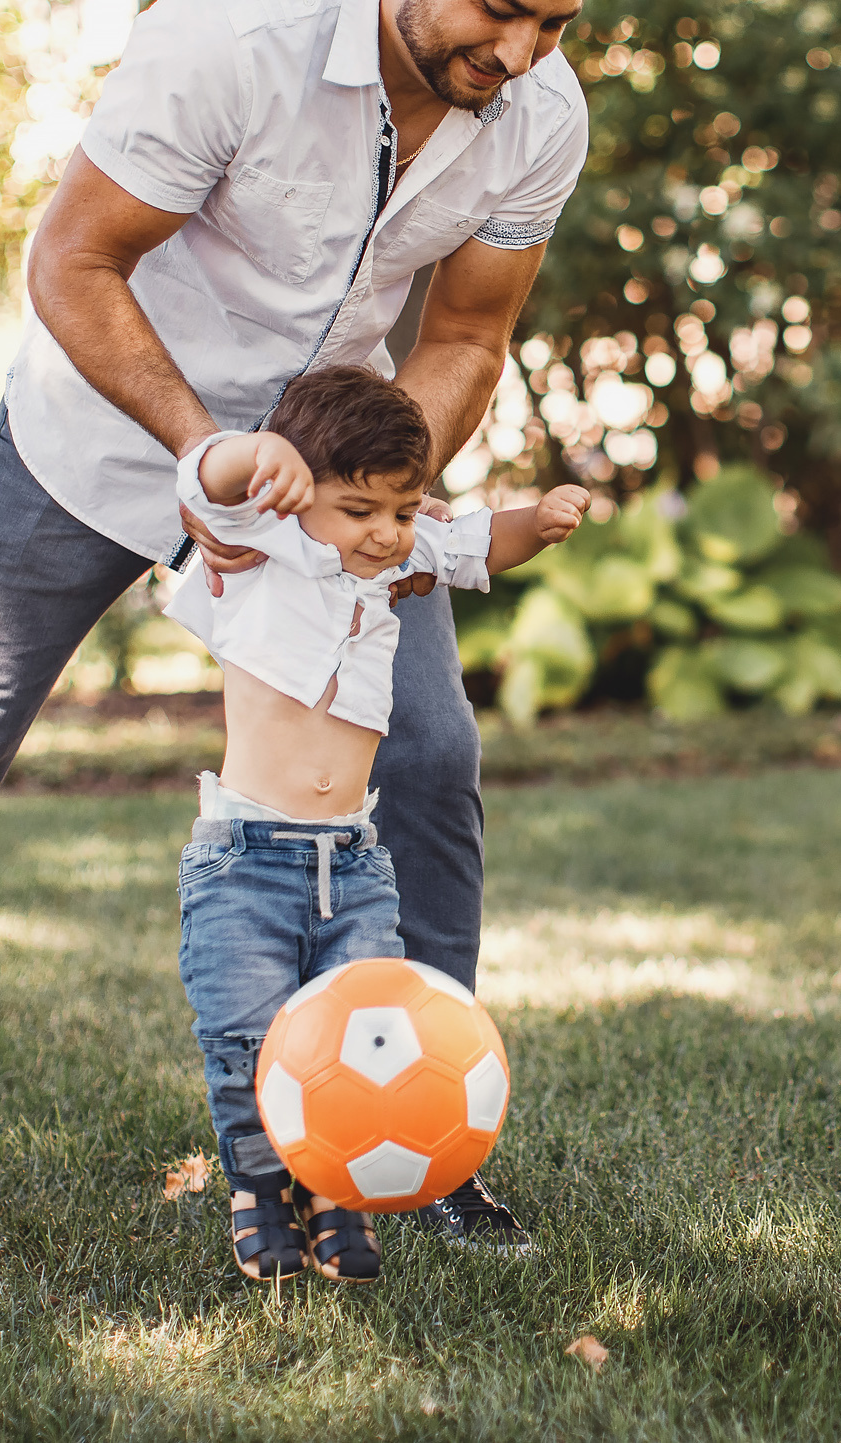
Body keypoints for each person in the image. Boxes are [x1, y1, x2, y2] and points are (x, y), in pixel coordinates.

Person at [0, 0, 608, 1263]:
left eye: (554, 22)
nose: (518, 52)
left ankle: (430, 1137)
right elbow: (72, 257)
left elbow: (465, 334)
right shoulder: (232, 32)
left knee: (437, 759)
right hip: (101, 441)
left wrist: (372, 500)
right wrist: (205, 446)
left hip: (332, 484)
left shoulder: (541, 114)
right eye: (495, 7)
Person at [169, 366, 588, 1284]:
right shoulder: (256, 547)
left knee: (363, 1032)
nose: (385, 531)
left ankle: (337, 1190)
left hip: (356, 860)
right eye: (360, 508)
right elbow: (202, 476)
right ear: (297, 493)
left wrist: (540, 520)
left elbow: (477, 542)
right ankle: (258, 1187)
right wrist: (257, 454)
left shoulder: (400, 557)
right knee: (246, 1037)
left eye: (400, 509)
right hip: (246, 859)